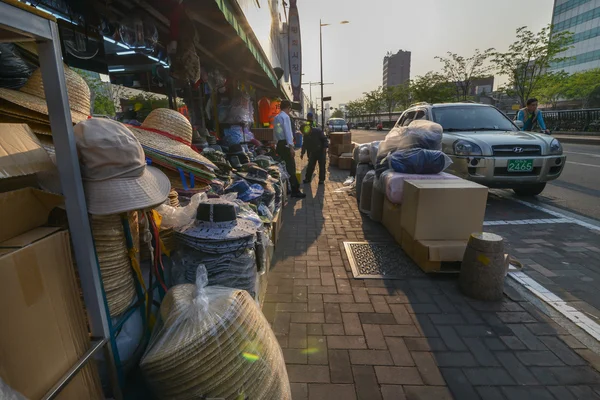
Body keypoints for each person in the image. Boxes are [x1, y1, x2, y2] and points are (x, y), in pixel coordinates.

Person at [274, 100, 306, 198]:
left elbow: (277, 132)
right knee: (291, 168)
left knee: (283, 168)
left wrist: (275, 144)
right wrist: (291, 147)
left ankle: (287, 189)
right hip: (286, 144)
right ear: (288, 107)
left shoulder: (276, 117)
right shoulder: (285, 117)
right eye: (290, 109)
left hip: (279, 144)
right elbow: (288, 133)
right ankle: (295, 190)